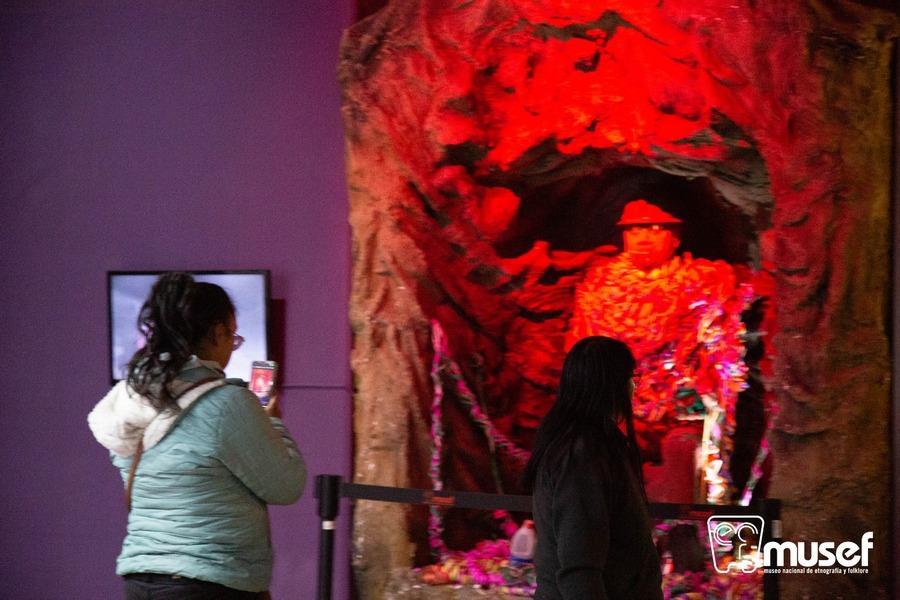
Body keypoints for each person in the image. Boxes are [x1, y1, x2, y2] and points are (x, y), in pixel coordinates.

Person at [88, 273, 306, 599]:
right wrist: (273, 423)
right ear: (217, 333)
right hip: (210, 581)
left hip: (140, 580)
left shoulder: (132, 400)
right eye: (233, 337)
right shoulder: (226, 403)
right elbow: (286, 484)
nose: (232, 347)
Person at [522, 336, 662, 600]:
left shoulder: (597, 446)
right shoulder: (582, 456)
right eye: (630, 378)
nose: (634, 387)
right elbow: (580, 569)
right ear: (611, 385)